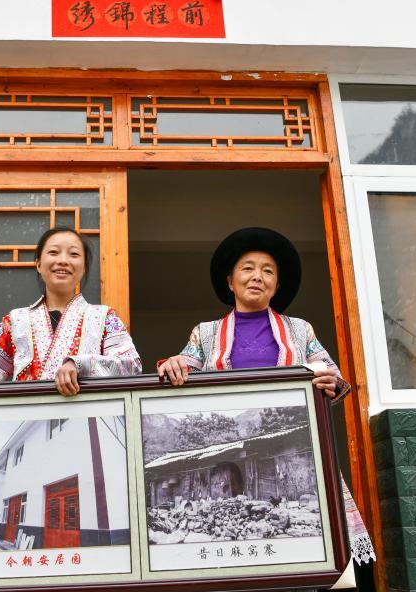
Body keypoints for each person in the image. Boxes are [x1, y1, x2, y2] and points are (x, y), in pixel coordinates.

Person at [157, 227, 376, 586]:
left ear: (276, 286)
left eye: (268, 271)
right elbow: (182, 370)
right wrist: (173, 364)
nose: (257, 276)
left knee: (308, 557)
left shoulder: (300, 330)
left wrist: (329, 381)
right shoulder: (205, 333)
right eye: (247, 268)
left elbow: (333, 378)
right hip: (228, 444)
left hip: (294, 444)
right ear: (230, 281)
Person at [0, 227, 141, 430]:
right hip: (25, 430)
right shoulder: (16, 322)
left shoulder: (104, 317)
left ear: (84, 267)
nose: (63, 260)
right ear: (38, 264)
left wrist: (80, 364)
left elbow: (131, 366)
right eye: (54, 252)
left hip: (89, 427)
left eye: (74, 254)